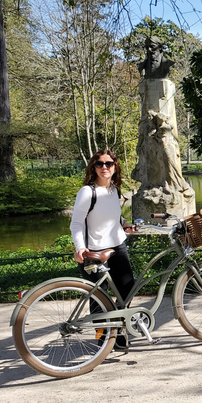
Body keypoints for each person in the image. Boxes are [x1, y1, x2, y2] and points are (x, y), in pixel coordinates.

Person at [70, 149, 137, 348]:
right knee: (100, 298)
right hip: (95, 251)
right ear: (94, 167)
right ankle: (103, 337)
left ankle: (119, 330)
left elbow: (112, 215)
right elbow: (76, 223)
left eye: (109, 164)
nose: (104, 167)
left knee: (127, 289)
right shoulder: (87, 192)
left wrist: (124, 223)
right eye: (99, 164)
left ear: (115, 167)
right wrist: (80, 247)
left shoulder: (114, 190)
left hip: (117, 246)